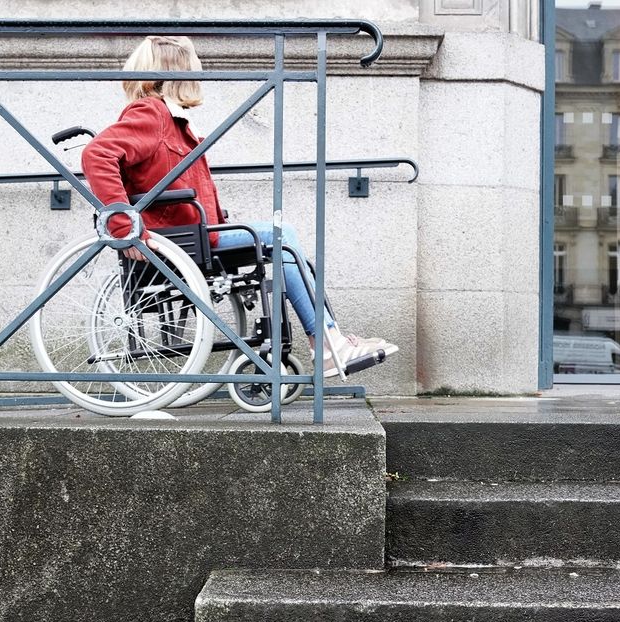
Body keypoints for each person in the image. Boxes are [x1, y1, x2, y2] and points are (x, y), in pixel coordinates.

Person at [79, 35, 397, 378]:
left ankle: (327, 341)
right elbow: (96, 154)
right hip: (176, 238)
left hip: (192, 232)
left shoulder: (173, 120)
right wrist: (124, 228)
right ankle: (327, 343)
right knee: (282, 235)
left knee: (284, 245)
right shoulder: (151, 113)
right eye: (193, 71)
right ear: (177, 73)